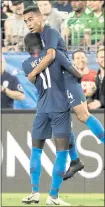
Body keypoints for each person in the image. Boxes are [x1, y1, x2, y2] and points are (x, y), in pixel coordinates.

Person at [23, 6, 105, 180]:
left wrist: (33, 73)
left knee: (83, 115)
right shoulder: (39, 37)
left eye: (30, 19)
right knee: (64, 124)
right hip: (56, 84)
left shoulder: (50, 32)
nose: (28, 24)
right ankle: (75, 160)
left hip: (67, 79)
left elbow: (52, 55)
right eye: (25, 21)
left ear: (40, 18)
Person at [21, 32, 79, 205]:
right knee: (61, 152)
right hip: (60, 107)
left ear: (26, 48)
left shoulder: (25, 64)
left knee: (36, 151)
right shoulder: (55, 55)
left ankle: (34, 192)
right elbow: (75, 74)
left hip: (42, 108)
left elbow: (33, 79)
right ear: (43, 42)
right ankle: (53, 196)